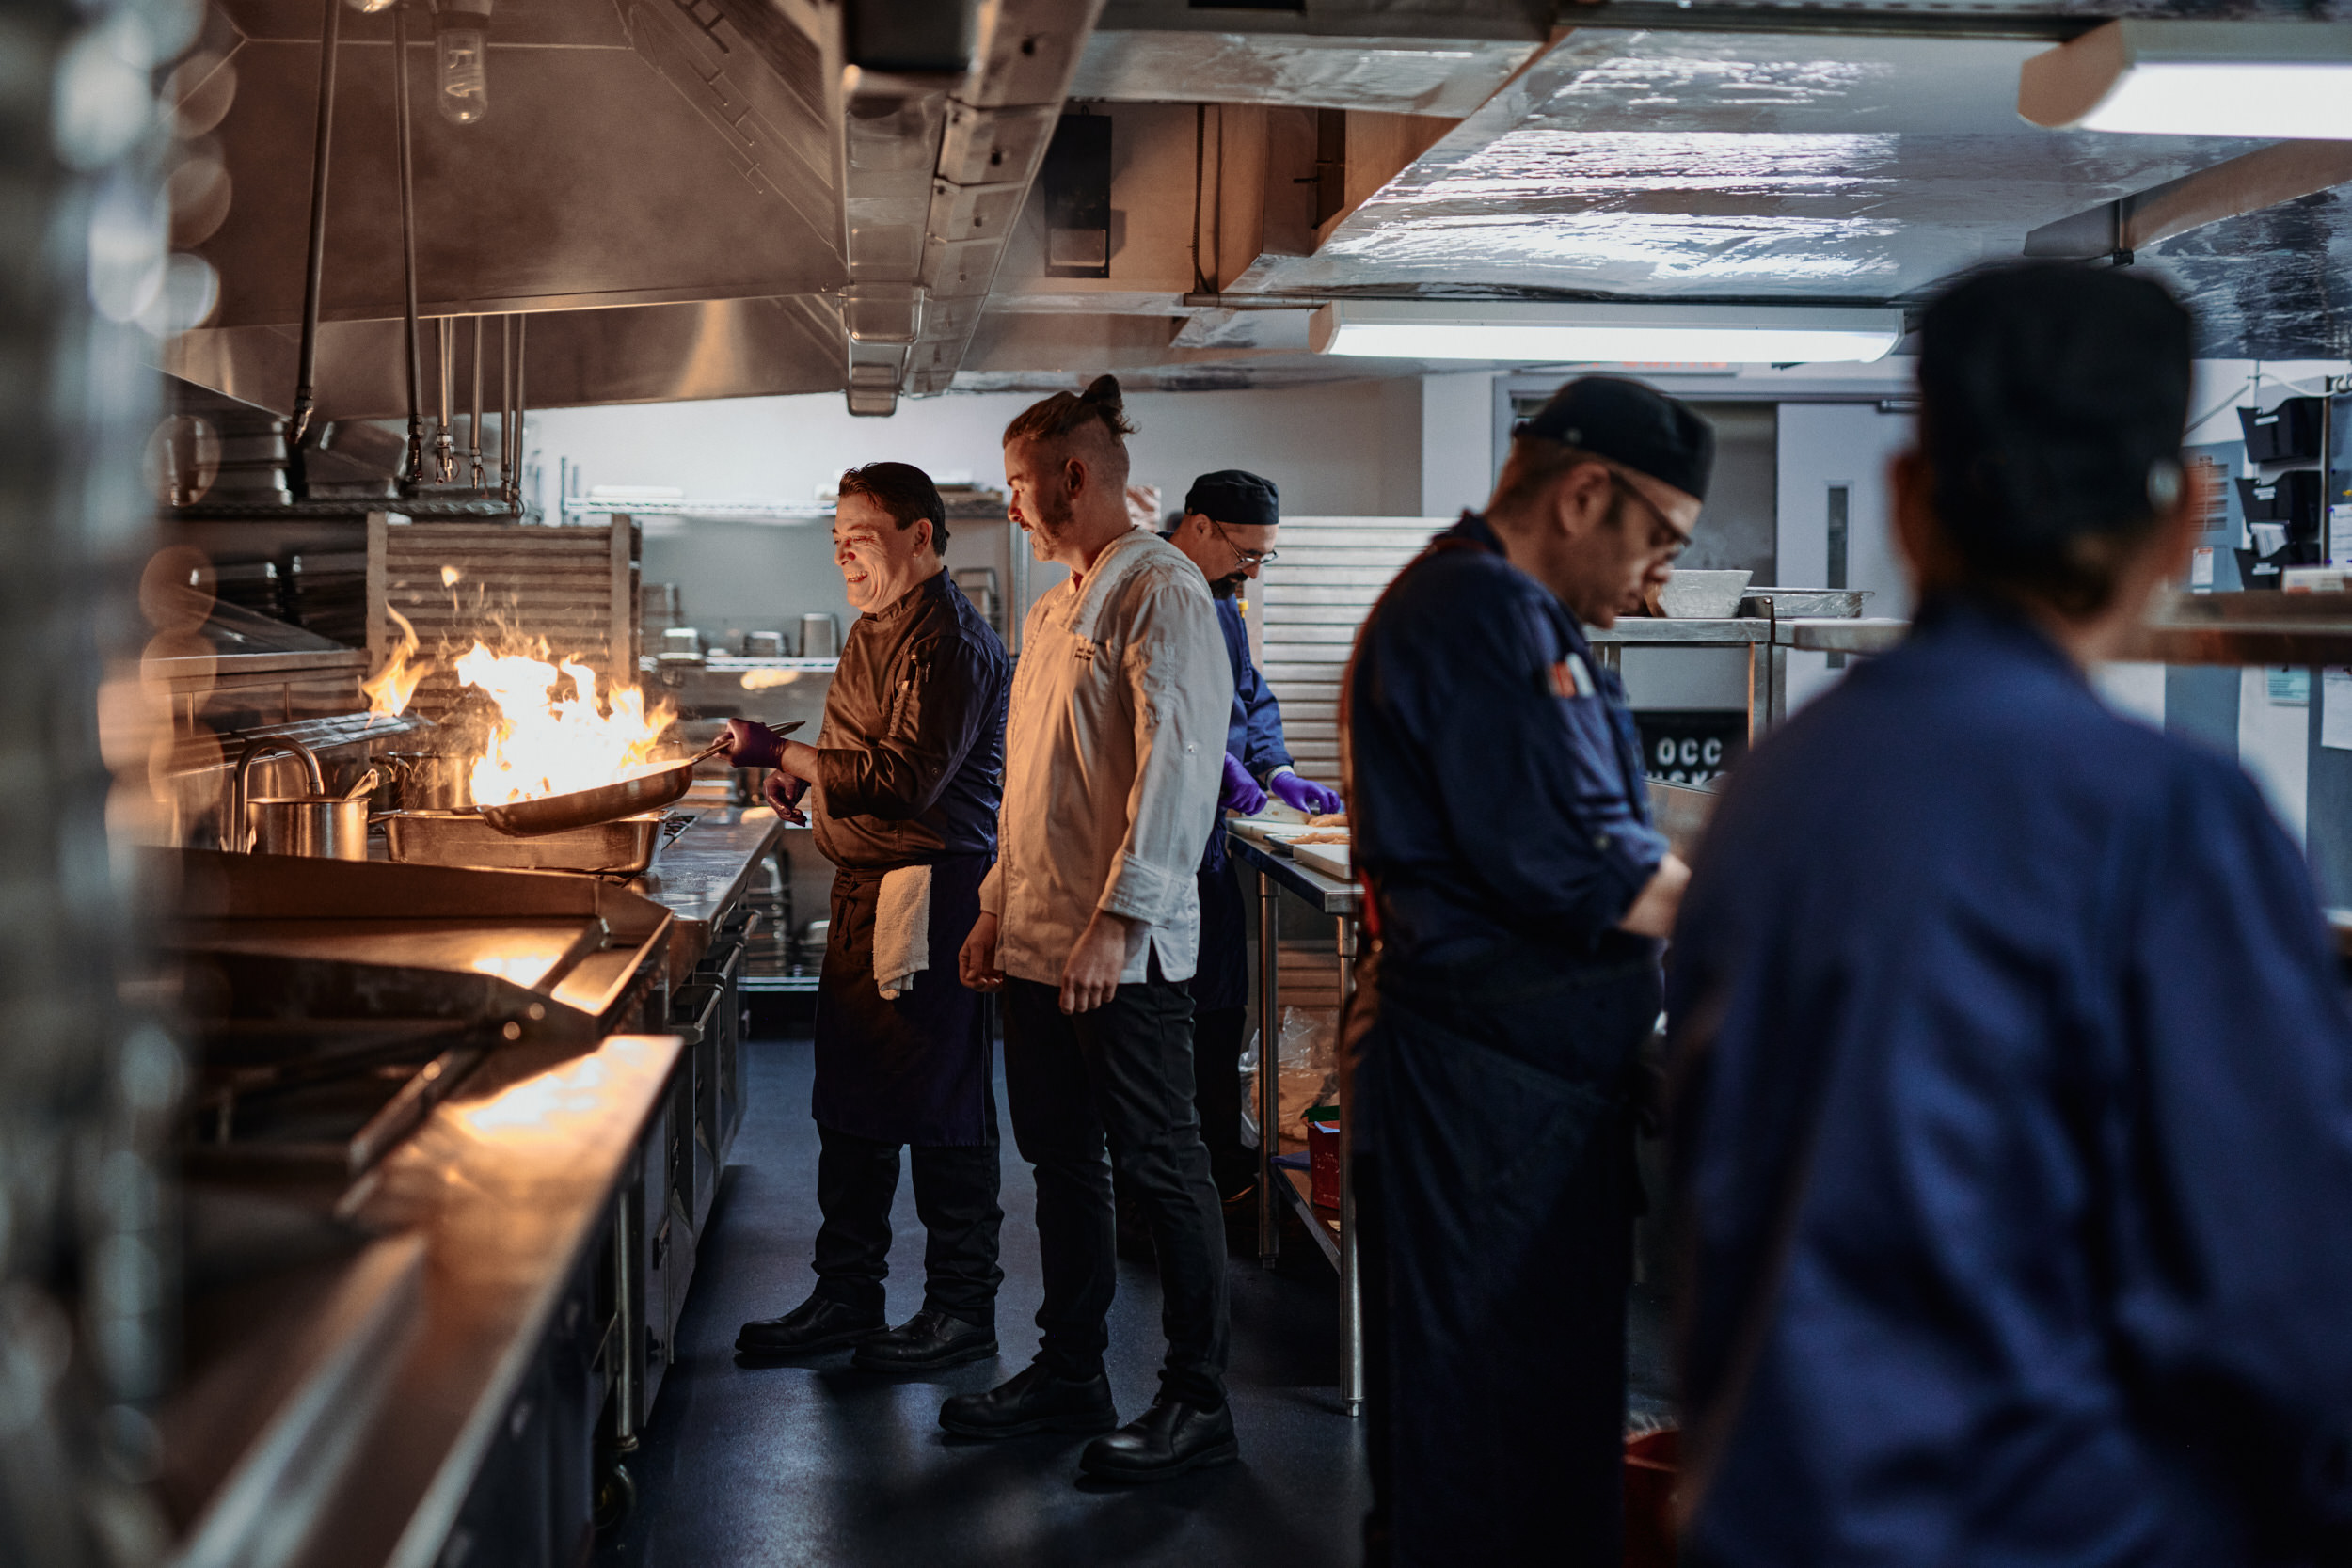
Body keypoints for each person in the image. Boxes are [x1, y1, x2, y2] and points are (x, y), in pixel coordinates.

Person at [1670, 264, 2352, 1564]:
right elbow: (2276, 1292)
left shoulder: (1779, 786)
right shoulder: (2167, 818)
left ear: (1909, 506)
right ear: (2185, 516)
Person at [1344, 375, 1707, 1565]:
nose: (1657, 581)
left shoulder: (1513, 613)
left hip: (1527, 1094)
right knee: (1488, 1444)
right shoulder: (1477, 610)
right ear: (1584, 492)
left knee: (1526, 1426)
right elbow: (1583, 862)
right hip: (1485, 1099)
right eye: (1658, 540)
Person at [944, 374, 1239, 1483]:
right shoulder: (1053, 603)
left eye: (1019, 486)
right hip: (1035, 942)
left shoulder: (1160, 588)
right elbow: (1035, 785)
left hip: (1122, 955)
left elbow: (1176, 771)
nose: (1012, 506)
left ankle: (1198, 1398)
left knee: (1164, 1166)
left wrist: (1119, 922)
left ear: (1074, 475)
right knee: (1062, 1163)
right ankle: (1072, 1369)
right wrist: (990, 910)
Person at [726, 462, 1012, 1372]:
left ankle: (962, 1310)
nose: (845, 551)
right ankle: (848, 1292)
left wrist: (780, 748)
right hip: (867, 887)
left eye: (864, 534)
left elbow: (903, 777)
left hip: (926, 896)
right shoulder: (876, 625)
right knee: (849, 1106)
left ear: (920, 536)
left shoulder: (951, 641)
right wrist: (798, 767)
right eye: (836, 536)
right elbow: (854, 744)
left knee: (936, 1103)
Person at [1161, 469, 1343, 1207]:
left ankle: (1224, 1173)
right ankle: (1173, 1194)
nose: (1253, 570)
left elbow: (1249, 695)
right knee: (1176, 1022)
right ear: (1200, 526)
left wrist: (1277, 769)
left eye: (1265, 557)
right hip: (1167, 843)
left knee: (1220, 1008)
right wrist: (1215, 764)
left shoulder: (1223, 599)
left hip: (1216, 845)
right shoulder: (1157, 595)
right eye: (1247, 552)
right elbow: (1161, 706)